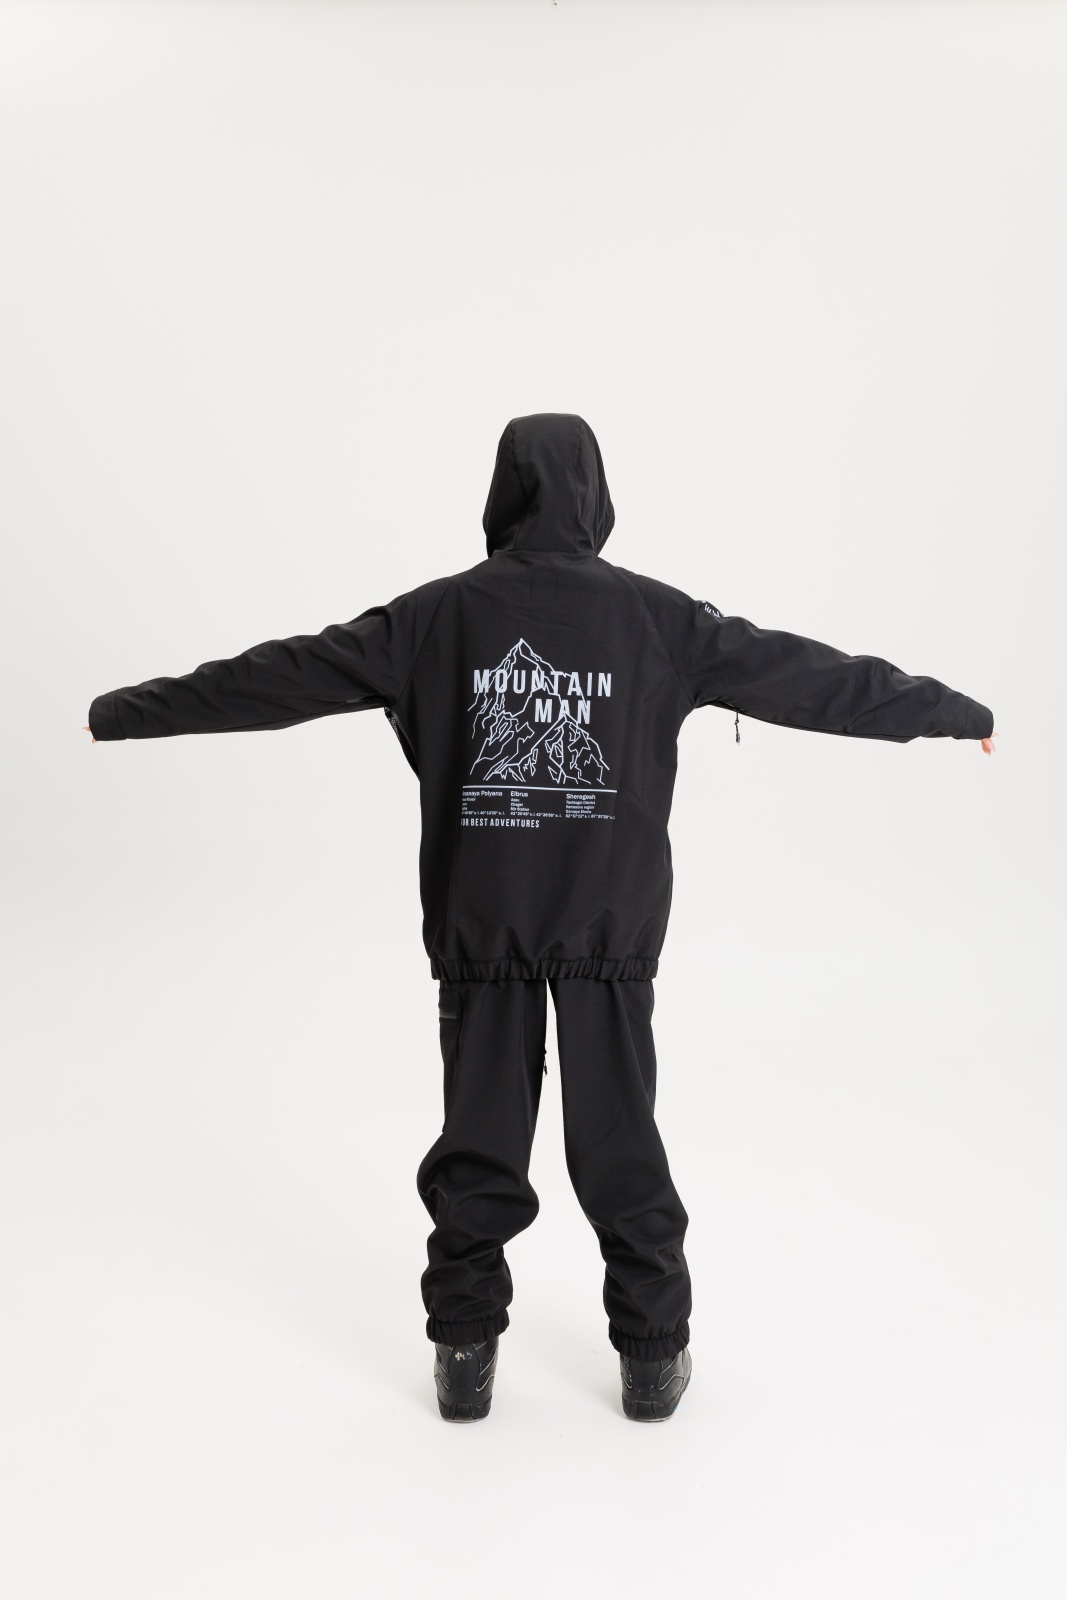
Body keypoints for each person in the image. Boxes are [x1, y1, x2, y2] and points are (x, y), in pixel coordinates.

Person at [86, 412, 996, 1424]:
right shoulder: (657, 619)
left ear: (503, 494)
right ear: (594, 495)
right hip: (609, 935)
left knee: (477, 1149)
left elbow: (276, 676)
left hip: (486, 930)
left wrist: (125, 712)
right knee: (620, 1146)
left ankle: (463, 1356)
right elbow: (809, 677)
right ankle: (651, 1358)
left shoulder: (433, 618)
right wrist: (950, 712)